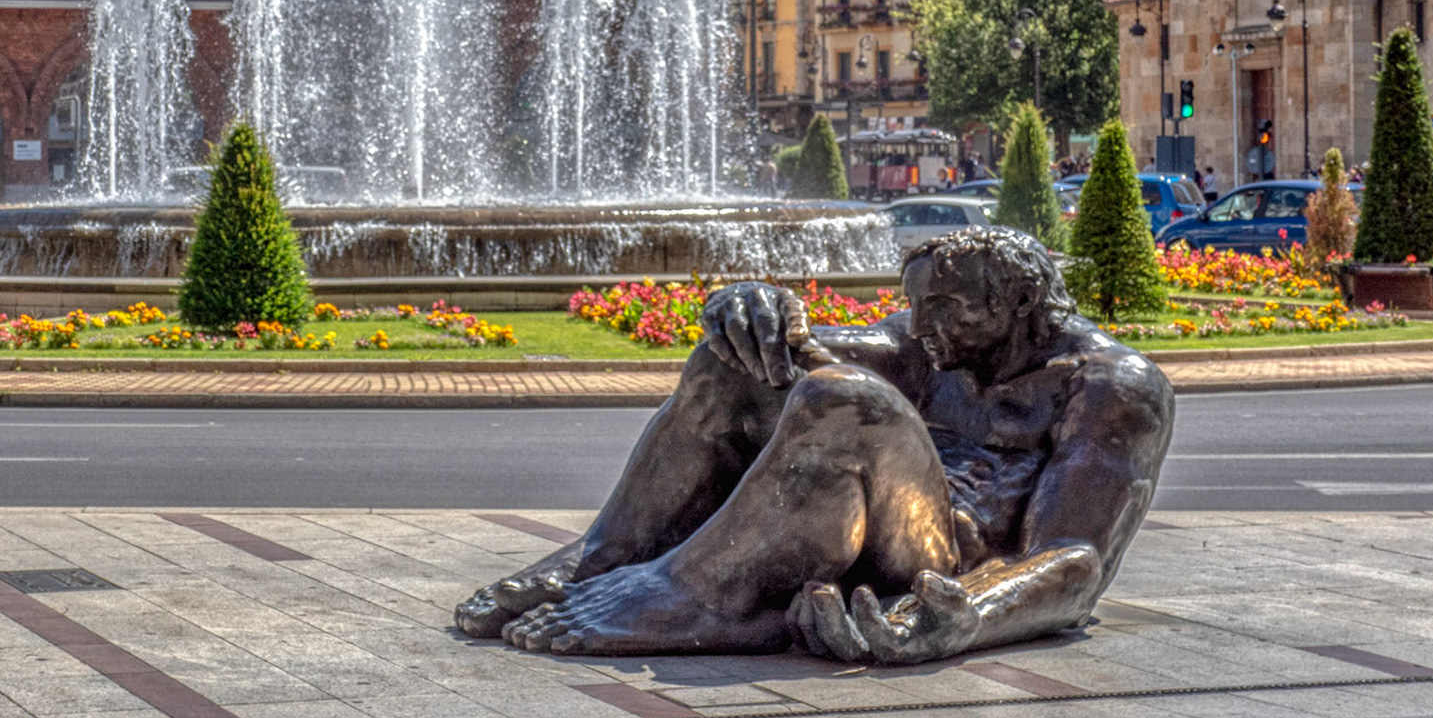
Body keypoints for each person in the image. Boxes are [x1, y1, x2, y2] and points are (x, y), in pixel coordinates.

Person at [456, 228, 1175, 663]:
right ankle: (605, 556)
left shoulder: (1112, 387)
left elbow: (1074, 560)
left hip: (944, 565)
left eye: (946, 308)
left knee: (851, 404)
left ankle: (700, 594)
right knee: (732, 363)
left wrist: (967, 619)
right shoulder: (937, 345)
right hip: (876, 535)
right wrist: (746, 305)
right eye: (917, 304)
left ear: (1017, 303)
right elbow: (808, 347)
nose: (922, 325)